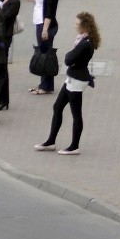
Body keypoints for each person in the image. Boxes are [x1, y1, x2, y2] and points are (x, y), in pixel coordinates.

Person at [34, 11, 100, 155]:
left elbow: (68, 59)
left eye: (78, 24)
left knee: (76, 113)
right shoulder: (82, 40)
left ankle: (74, 146)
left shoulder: (84, 44)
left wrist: (70, 57)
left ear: (85, 25)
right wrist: (71, 57)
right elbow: (71, 59)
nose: (75, 26)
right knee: (57, 106)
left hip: (76, 80)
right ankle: (51, 141)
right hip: (72, 77)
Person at [25, 0, 59, 94]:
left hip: (45, 25)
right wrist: (33, 0)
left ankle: (45, 86)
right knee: (44, 52)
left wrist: (45, 29)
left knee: (45, 54)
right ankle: (45, 84)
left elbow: (50, 11)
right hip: (40, 22)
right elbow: (43, 4)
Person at [0, 0, 20, 110]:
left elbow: (4, 17)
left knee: (2, 68)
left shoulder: (15, 1)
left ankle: (3, 99)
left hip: (5, 37)